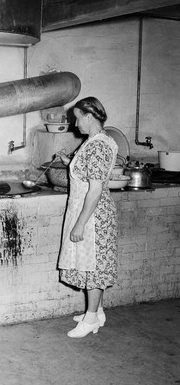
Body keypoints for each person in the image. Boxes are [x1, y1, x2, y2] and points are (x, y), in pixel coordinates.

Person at [57, 96, 118, 338]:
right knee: (93, 263)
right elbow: (89, 170)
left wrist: (80, 224)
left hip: (92, 215)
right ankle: (97, 311)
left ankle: (90, 319)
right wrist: (68, 161)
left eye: (78, 119)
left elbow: (95, 189)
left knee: (93, 266)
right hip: (91, 211)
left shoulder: (98, 145)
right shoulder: (95, 142)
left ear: (89, 116)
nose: (75, 125)